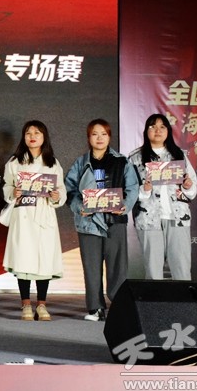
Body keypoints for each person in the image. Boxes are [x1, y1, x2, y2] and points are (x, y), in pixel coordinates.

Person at [65, 119, 138, 321]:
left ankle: (118, 306)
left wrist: (125, 205)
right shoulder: (81, 163)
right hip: (89, 223)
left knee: (118, 267)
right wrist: (80, 207)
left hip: (115, 221)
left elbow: (133, 188)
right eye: (95, 134)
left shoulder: (122, 161)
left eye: (103, 134)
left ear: (109, 137)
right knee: (91, 267)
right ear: (88, 137)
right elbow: (69, 190)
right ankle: (95, 308)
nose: (99, 138)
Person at [1, 120, 66, 321]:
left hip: (44, 215)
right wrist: (13, 192)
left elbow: (61, 189)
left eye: (37, 133)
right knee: (23, 259)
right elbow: (7, 186)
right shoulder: (15, 162)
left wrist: (56, 196)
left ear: (44, 137)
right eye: (28, 133)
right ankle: (26, 305)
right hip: (23, 216)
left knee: (43, 260)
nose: (32, 136)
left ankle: (42, 305)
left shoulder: (52, 163)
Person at [128, 114, 197, 281]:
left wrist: (187, 186)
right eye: (152, 127)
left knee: (181, 267)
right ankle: (154, 299)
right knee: (153, 270)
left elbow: (192, 187)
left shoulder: (179, 155)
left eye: (162, 127)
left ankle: (182, 298)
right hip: (149, 219)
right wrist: (144, 190)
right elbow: (129, 190)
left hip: (177, 217)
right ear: (146, 131)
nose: (157, 130)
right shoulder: (135, 158)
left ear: (168, 131)